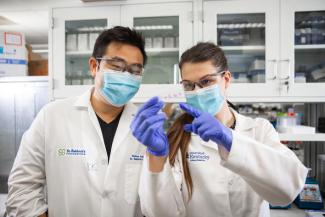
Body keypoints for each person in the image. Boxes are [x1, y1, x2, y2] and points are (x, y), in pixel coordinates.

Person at [131, 42, 308, 217]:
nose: (198, 91)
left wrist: (228, 140)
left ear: (226, 79)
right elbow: (160, 213)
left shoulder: (259, 130)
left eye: (206, 81)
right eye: (188, 85)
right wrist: (156, 156)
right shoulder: (178, 136)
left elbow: (287, 191)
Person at [6, 26, 147, 217]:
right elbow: (22, 187)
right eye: (116, 66)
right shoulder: (53, 116)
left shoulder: (146, 128)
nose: (126, 76)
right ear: (94, 66)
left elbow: (157, 197)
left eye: (135, 70)